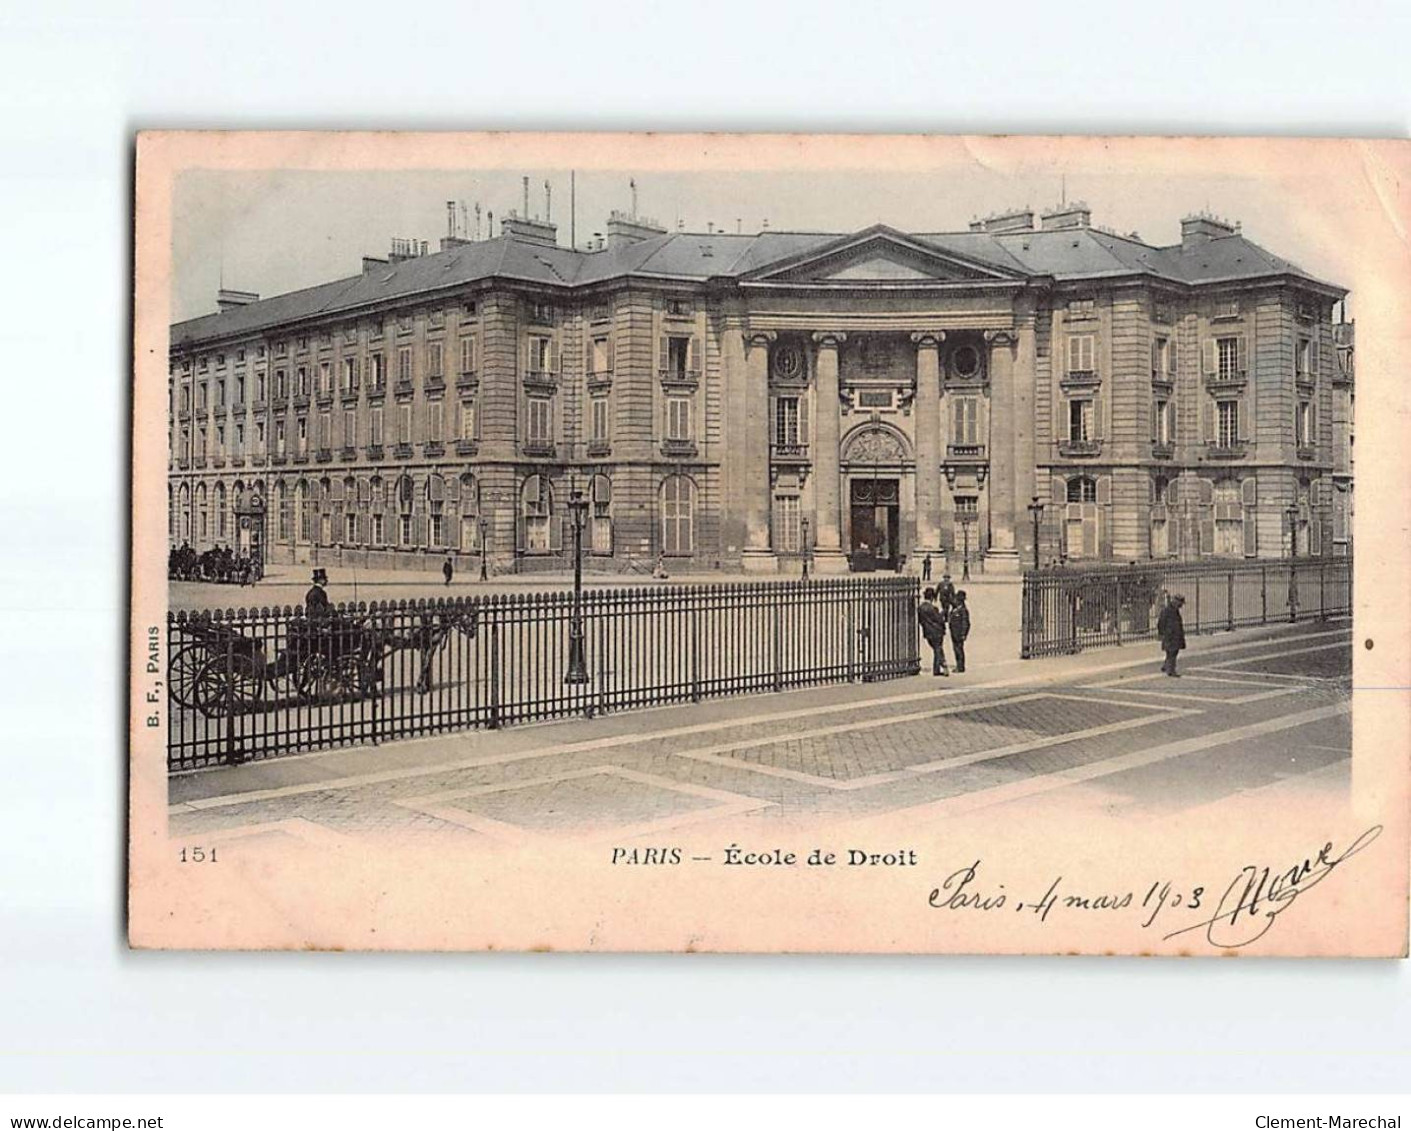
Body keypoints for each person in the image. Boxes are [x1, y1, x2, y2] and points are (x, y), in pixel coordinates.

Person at [917, 587, 949, 677]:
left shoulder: (920, 608)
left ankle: (939, 667)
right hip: (937, 631)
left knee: (937, 649)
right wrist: (943, 614)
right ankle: (941, 666)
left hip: (927, 632)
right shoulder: (933, 608)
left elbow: (920, 620)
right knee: (938, 649)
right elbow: (939, 620)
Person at [1157, 593, 1186, 676]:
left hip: (1175, 635)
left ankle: (1166, 666)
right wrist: (1161, 633)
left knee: (1172, 652)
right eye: (1180, 603)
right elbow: (1161, 622)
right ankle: (1171, 670)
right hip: (1170, 635)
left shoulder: (1174, 610)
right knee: (1172, 652)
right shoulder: (1167, 610)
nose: (1181, 606)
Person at [949, 590, 970, 674]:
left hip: (959, 634)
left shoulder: (963, 610)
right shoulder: (955, 609)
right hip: (954, 633)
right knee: (956, 649)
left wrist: (963, 634)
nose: (955, 601)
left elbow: (966, 623)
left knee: (959, 650)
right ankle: (958, 665)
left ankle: (960, 666)